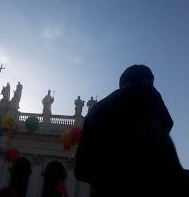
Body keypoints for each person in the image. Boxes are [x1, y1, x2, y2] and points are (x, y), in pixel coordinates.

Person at [75, 65, 189, 197]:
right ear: (147, 81)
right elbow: (167, 123)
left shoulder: (96, 110)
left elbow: (80, 171)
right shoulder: (145, 92)